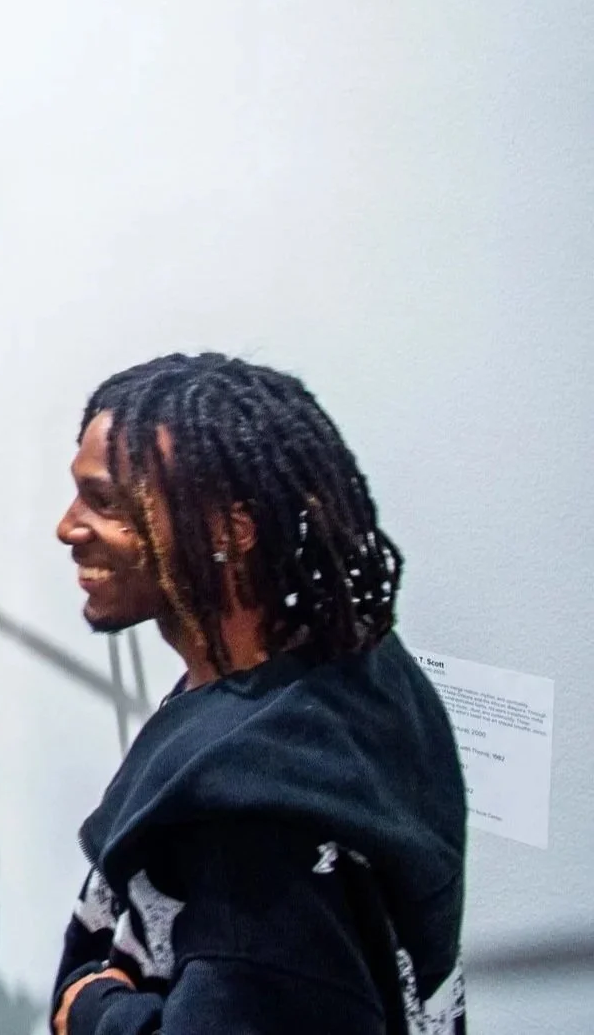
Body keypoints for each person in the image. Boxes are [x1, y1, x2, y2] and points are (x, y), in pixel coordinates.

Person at [50, 353, 465, 1035]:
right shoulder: (346, 656)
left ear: (228, 533)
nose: (67, 527)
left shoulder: (258, 834)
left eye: (106, 503)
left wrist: (95, 1012)